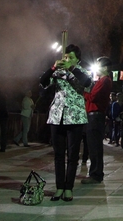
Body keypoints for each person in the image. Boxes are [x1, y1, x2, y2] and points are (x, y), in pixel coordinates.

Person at [39, 44, 91, 202]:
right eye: (65, 57)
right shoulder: (58, 71)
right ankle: (59, 186)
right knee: (58, 154)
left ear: (77, 60)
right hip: (57, 116)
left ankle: (69, 188)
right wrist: (53, 67)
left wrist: (71, 69)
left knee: (73, 155)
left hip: (74, 116)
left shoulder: (82, 72)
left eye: (71, 58)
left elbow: (87, 84)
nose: (67, 60)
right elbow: (42, 82)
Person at [83, 56, 112, 184]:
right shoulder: (101, 80)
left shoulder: (104, 80)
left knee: (94, 146)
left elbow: (93, 97)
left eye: (99, 66)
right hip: (94, 115)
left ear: (105, 68)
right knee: (93, 146)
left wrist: (83, 92)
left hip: (95, 116)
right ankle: (95, 173)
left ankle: (95, 174)